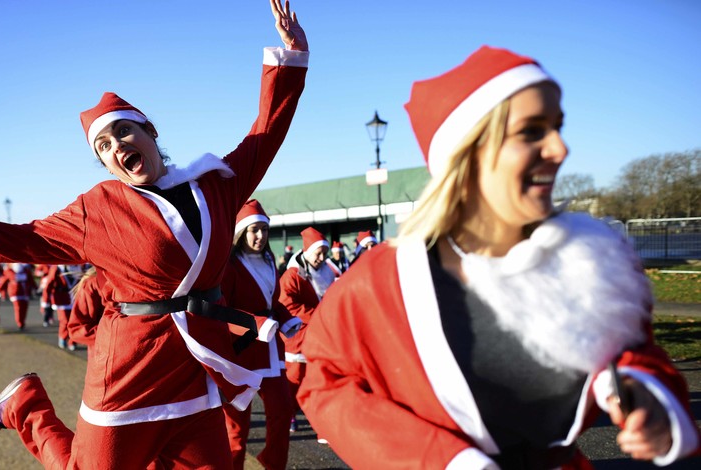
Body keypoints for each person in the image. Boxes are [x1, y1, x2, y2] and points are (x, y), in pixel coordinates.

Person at [0, 1, 307, 467]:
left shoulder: (215, 183)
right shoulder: (99, 208)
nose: (117, 147)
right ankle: (25, 406)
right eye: (104, 146)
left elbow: (265, 133)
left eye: (124, 132)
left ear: (151, 131)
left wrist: (290, 59)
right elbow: (17, 240)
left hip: (195, 367)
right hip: (129, 369)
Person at [297, 45, 700, 468]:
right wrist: (445, 461)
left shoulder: (597, 259)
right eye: (532, 130)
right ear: (468, 153)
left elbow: (635, 352)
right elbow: (323, 383)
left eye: (558, 126)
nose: (561, 149)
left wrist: (646, 395)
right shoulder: (380, 280)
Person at [221, 200, 301, 470]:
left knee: (282, 412)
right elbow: (221, 312)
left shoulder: (269, 260)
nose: (260, 236)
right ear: (241, 232)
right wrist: (254, 323)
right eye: (254, 230)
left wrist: (287, 319)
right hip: (240, 352)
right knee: (236, 428)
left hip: (271, 352)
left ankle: (274, 464)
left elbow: (272, 303)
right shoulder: (228, 266)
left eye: (264, 230)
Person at [278, 225, 335, 441]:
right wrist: (318, 314)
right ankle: (289, 413)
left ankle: (320, 422)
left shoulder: (327, 272)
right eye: (318, 253)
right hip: (298, 336)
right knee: (294, 379)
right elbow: (286, 304)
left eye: (324, 253)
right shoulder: (292, 275)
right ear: (308, 252)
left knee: (319, 379)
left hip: (321, 335)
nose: (321, 257)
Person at [0, 262, 37, 331]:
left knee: (24, 308)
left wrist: (36, 288)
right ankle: (19, 323)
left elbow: (31, 280)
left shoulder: (25, 270)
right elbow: (4, 281)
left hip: (25, 292)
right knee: (18, 308)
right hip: (15, 292)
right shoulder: (9, 270)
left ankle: (22, 322)